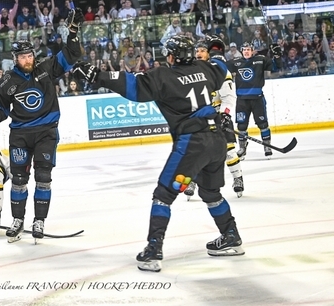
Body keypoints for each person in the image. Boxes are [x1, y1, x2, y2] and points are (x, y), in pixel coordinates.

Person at [71, 36, 245, 272]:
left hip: (191, 144)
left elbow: (130, 85)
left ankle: (153, 250)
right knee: (211, 192)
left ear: (171, 56)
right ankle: (231, 236)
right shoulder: (206, 68)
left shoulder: (163, 76)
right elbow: (223, 65)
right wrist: (215, 52)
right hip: (217, 141)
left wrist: (96, 75)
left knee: (163, 194)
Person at [0, 7, 85, 243]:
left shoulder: (47, 68)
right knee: (18, 180)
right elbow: (0, 109)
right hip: (20, 135)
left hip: (46, 132)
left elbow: (72, 53)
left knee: (44, 177)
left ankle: (39, 221)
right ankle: (18, 220)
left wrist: (74, 31)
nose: (27, 60)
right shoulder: (7, 81)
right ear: (15, 59)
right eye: (23, 57)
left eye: (30, 56)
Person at [185, 35, 244, 200]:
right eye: (197, 50)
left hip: (218, 116)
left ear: (208, 54)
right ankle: (193, 181)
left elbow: (229, 96)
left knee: (229, 150)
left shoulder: (218, 70)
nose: (199, 53)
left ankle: (238, 178)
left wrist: (225, 114)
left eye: (202, 50)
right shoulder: (189, 71)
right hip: (199, 117)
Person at [226, 42, 282, 159]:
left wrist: (277, 56)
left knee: (263, 124)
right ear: (241, 51)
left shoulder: (261, 60)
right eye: (244, 49)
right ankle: (242, 148)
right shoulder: (235, 62)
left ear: (253, 50)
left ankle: (267, 146)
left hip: (257, 100)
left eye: (249, 49)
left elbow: (276, 67)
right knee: (241, 126)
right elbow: (221, 69)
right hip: (242, 101)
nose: (246, 51)